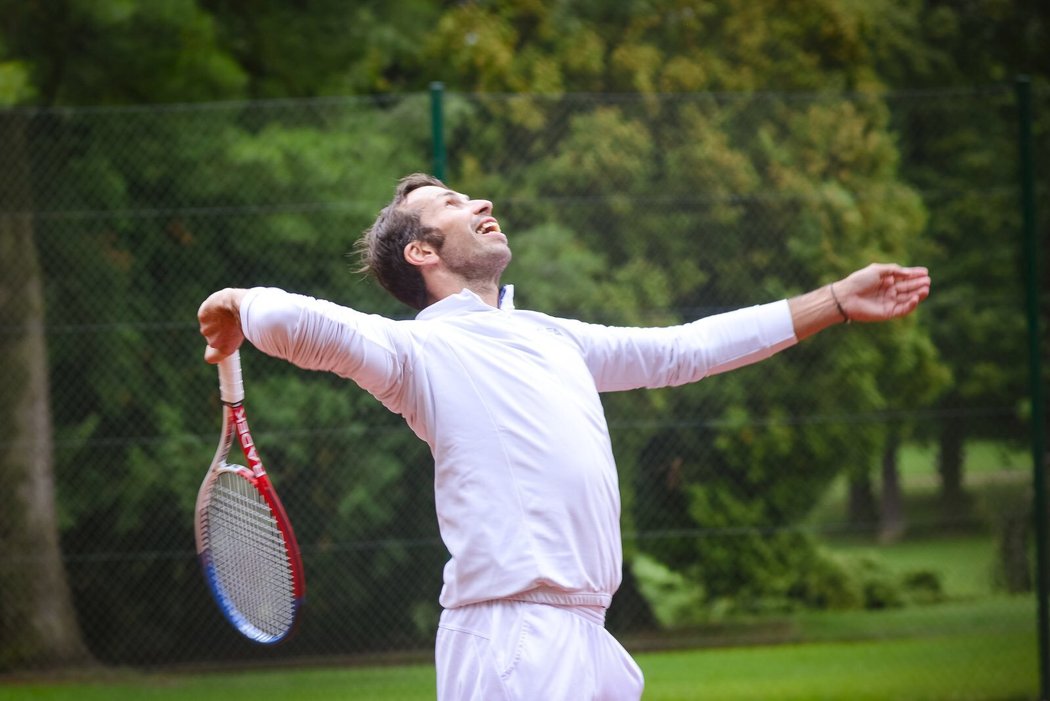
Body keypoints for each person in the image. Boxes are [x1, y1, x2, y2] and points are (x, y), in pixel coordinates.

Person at [198, 172, 931, 700]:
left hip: (582, 635)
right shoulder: (417, 353)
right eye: (452, 205)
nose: (481, 201)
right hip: (513, 641)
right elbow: (311, 326)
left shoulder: (553, 338)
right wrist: (239, 304)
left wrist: (834, 299)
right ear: (423, 253)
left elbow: (688, 349)